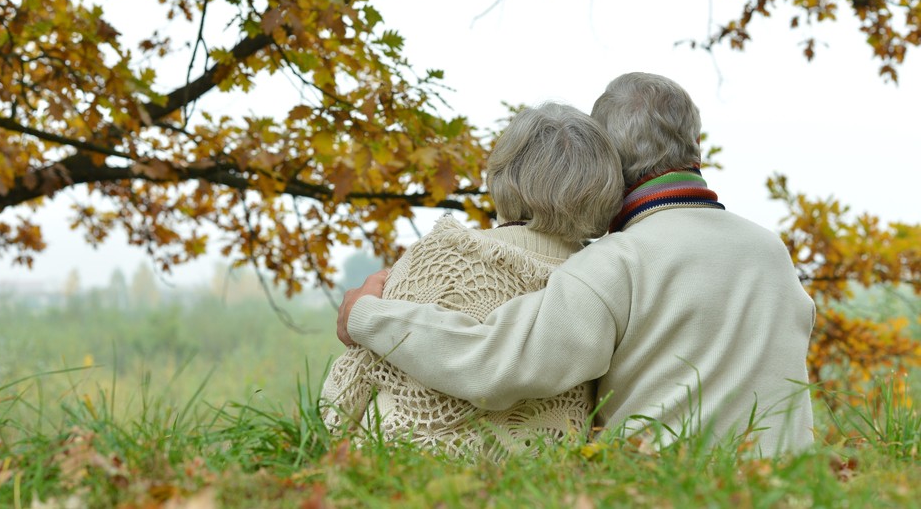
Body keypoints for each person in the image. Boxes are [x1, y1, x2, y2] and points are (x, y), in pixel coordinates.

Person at [337, 73, 816, 456]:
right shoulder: (770, 250)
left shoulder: (620, 261)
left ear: (609, 160)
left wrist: (367, 315)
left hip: (668, 486)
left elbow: (497, 364)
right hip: (785, 485)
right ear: (692, 140)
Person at [320, 102, 624, 457]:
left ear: (503, 174)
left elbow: (347, 394)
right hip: (535, 482)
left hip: (399, 468)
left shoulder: (443, 255)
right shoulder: (602, 280)